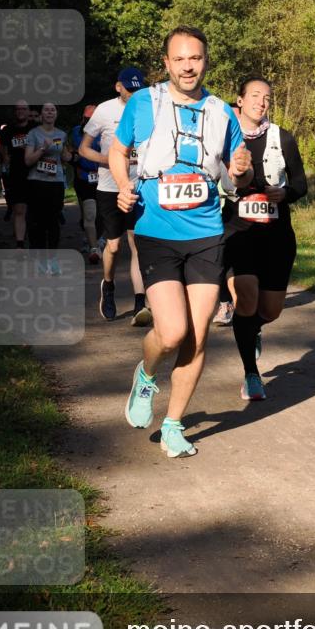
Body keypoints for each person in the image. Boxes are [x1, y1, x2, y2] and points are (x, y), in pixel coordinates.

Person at [109, 25, 253, 458]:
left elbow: (238, 177)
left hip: (206, 234)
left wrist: (242, 169)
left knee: (198, 335)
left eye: (196, 58)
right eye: (180, 58)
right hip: (156, 232)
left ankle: (173, 424)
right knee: (171, 332)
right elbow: (118, 151)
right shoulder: (143, 102)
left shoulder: (222, 112)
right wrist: (123, 184)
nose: (188, 66)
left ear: (205, 61)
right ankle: (146, 374)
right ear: (167, 63)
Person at [221, 77, 308, 400]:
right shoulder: (224, 137)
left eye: (267, 97)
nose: (261, 102)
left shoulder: (282, 138)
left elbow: (301, 184)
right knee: (245, 298)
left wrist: (285, 193)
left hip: (276, 235)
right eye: (255, 96)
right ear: (240, 101)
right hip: (238, 232)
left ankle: (252, 329)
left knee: (270, 311)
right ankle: (251, 374)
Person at [80, 68, 151, 325]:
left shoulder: (149, 109)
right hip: (110, 188)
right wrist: (109, 159)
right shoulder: (104, 110)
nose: (133, 94)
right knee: (113, 245)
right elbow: (83, 149)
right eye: (129, 89)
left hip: (140, 186)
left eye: (137, 89)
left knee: (137, 243)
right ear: (118, 87)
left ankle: (140, 302)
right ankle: (108, 285)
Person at [24, 102, 73, 273]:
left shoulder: (62, 134)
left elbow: (65, 157)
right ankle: (40, 259)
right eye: (46, 110)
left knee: (53, 221)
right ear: (41, 114)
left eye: (53, 110)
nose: (50, 112)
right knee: (37, 222)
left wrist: (70, 155)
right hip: (36, 182)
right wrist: (43, 149)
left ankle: (52, 259)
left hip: (56, 183)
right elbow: (28, 160)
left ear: (56, 114)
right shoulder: (33, 133)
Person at [0, 100, 35, 247]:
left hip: (35, 173)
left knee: (34, 210)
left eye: (23, 109)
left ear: (28, 111)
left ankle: (35, 240)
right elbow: (1, 145)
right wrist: (5, 157)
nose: (21, 111)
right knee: (19, 209)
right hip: (16, 173)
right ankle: (20, 244)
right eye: (18, 109)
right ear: (15, 112)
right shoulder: (8, 129)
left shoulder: (35, 128)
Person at [70, 105, 102, 264]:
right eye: (87, 119)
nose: (90, 122)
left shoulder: (106, 131)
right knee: (89, 214)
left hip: (104, 178)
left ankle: (98, 238)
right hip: (84, 177)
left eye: (93, 119)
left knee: (102, 215)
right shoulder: (76, 132)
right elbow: (74, 151)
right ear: (83, 118)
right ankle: (94, 248)